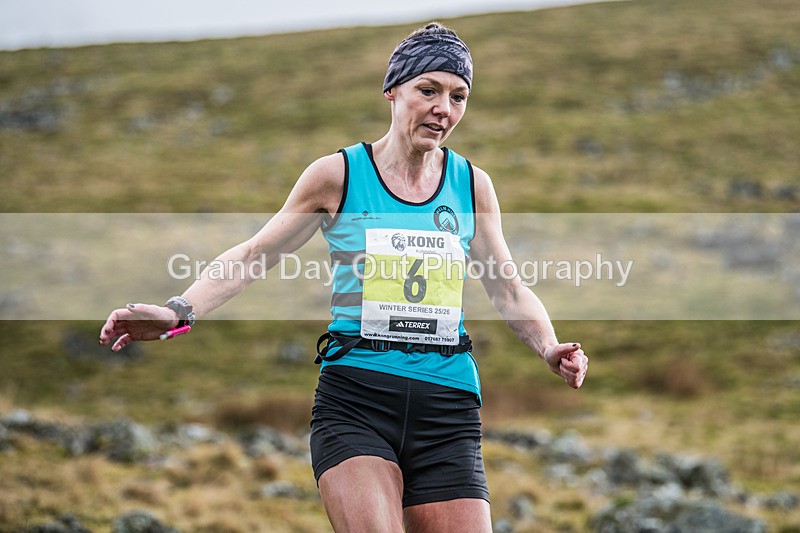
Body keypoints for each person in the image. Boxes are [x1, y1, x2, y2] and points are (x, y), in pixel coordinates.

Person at [99, 22, 588, 532]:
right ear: (393, 91)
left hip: (448, 409)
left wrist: (549, 347)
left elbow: (507, 287)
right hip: (358, 400)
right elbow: (252, 256)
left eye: (459, 95)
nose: (445, 108)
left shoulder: (471, 184)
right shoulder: (339, 175)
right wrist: (177, 312)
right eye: (429, 90)